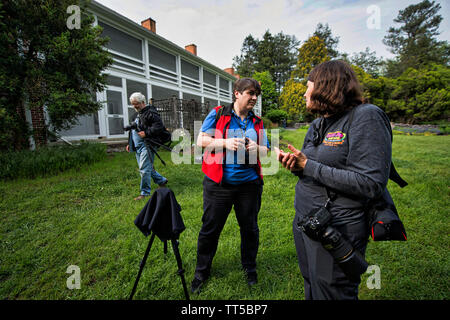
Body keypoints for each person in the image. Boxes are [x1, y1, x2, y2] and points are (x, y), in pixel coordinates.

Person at [276, 60, 393, 300]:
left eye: (307, 87)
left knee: (332, 292)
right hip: (306, 219)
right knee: (311, 283)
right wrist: (296, 166)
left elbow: (370, 183)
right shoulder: (318, 124)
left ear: (325, 87)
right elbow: (311, 167)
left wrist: (308, 165)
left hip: (337, 225)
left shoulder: (366, 117)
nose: (305, 93)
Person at [191, 78, 270, 293]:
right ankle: (201, 272)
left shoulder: (257, 121)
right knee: (210, 229)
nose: (254, 97)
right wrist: (225, 142)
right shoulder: (218, 113)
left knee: (250, 229)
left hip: (249, 186)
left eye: (257, 94)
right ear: (237, 93)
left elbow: (266, 151)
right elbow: (201, 141)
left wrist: (256, 147)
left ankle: (250, 269)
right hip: (219, 185)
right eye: (250, 93)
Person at [126, 92, 168, 201]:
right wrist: (129, 143)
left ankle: (144, 193)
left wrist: (147, 133)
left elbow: (159, 127)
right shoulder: (136, 114)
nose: (134, 106)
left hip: (148, 144)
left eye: (136, 104)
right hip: (137, 146)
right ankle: (162, 181)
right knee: (147, 167)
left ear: (143, 102)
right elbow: (132, 130)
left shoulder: (151, 113)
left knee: (144, 168)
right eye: (133, 104)